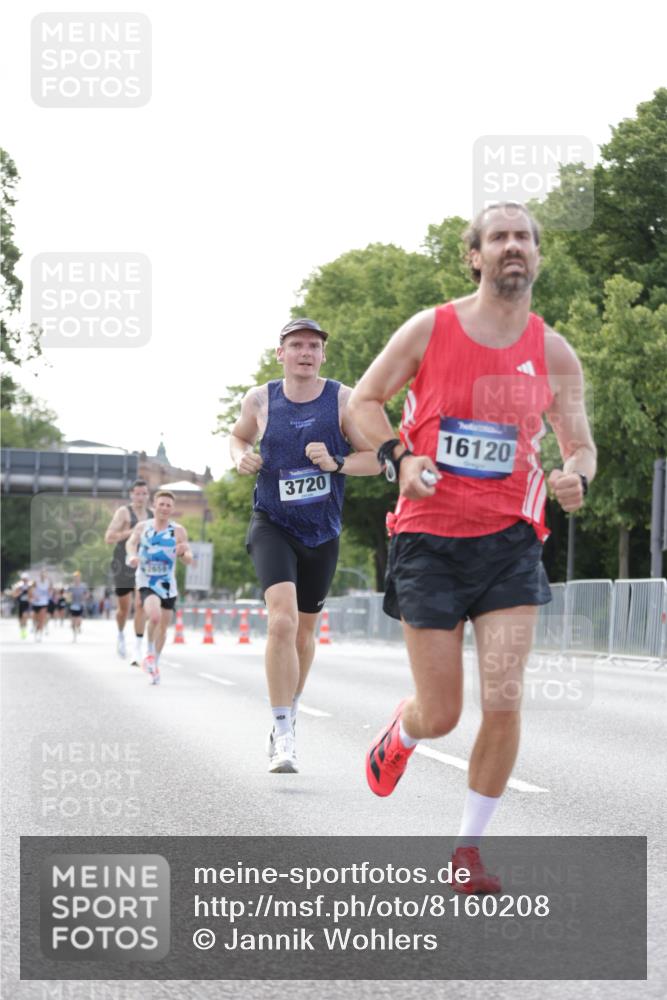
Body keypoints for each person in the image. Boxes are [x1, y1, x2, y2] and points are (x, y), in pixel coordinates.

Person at [348, 202, 596, 893]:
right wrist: (399, 458)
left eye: (524, 238)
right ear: (475, 256)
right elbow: (363, 402)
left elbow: (579, 444)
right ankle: (402, 734)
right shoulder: (430, 328)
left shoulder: (553, 352)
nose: (512, 245)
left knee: (505, 699)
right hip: (427, 540)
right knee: (442, 713)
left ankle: (467, 851)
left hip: (510, 542)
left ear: (537, 255)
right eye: (499, 237)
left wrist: (575, 477)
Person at [230, 317, 379, 774]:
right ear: (281, 353)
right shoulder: (260, 399)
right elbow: (237, 437)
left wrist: (336, 463)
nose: (306, 352)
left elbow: (376, 459)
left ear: (323, 355)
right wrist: (240, 457)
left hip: (322, 532)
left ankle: (289, 711)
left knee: (303, 635)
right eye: (296, 345)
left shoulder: (343, 400)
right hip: (272, 523)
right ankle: (283, 735)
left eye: (314, 346)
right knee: (282, 621)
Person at [126, 490, 193, 685]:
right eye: (161, 504)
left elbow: (189, 558)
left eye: (168, 505)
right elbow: (131, 543)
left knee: (163, 627)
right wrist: (132, 556)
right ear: (154, 506)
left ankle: (154, 662)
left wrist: (183, 553)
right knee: (154, 616)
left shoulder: (178, 531)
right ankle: (148, 652)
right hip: (147, 580)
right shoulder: (143, 527)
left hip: (168, 583)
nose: (164, 508)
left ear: (172, 509)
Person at [104, 479, 153, 665]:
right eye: (137, 493)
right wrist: (133, 532)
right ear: (132, 495)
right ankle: (121, 634)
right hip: (123, 561)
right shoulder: (124, 512)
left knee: (140, 604)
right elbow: (109, 537)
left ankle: (138, 648)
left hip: (144, 563)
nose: (141, 497)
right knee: (124, 608)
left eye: (144, 493)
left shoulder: (152, 515)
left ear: (148, 495)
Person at [29, 571, 52, 642]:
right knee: (36, 620)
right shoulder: (36, 582)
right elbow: (30, 591)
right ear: (40, 575)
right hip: (36, 604)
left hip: (44, 603)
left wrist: (49, 594)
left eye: (45, 575)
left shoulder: (48, 582)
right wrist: (34, 596)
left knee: (41, 620)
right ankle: (35, 631)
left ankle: (40, 635)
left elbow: (50, 591)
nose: (43, 576)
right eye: (42, 574)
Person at [67, 572, 88, 641]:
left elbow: (87, 594)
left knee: (79, 620)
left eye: (78, 577)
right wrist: (69, 597)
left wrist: (84, 597)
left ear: (80, 578)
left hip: (80, 605)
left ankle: (78, 626)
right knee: (72, 623)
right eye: (75, 577)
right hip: (72, 605)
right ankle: (74, 635)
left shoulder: (83, 586)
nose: (76, 578)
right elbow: (67, 595)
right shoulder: (71, 586)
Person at [11, 574, 32, 639]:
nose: (25, 580)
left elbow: (31, 595)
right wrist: (18, 593)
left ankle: (24, 630)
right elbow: (14, 595)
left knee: (25, 616)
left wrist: (30, 599)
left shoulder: (30, 586)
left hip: (26, 604)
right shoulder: (18, 586)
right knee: (20, 619)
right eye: (24, 578)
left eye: (26, 578)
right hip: (20, 604)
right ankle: (22, 630)